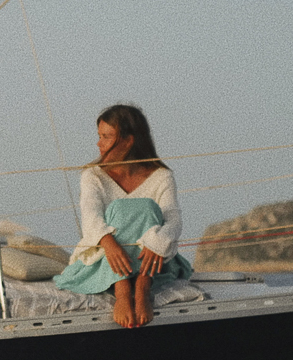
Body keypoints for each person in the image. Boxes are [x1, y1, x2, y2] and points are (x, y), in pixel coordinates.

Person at [53, 103, 192, 327]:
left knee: (146, 208)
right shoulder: (93, 176)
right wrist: (109, 243)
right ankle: (123, 289)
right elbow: (90, 217)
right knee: (118, 209)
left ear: (128, 141)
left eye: (106, 137)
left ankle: (142, 287)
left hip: (150, 261)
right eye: (99, 136)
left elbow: (174, 221)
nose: (99, 144)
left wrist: (157, 243)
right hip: (105, 258)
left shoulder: (161, 176)